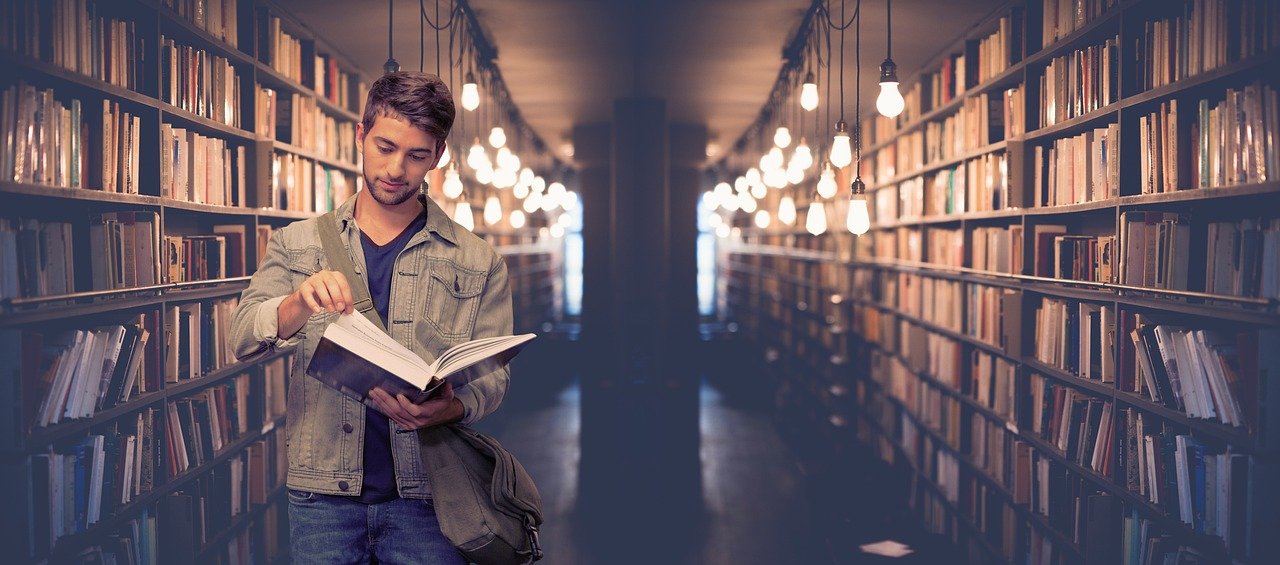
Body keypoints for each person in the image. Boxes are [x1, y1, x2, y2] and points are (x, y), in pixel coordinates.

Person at [228, 71, 512, 564]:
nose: (395, 169)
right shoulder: (297, 243)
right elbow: (242, 334)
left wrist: (451, 408)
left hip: (428, 497)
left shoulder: (477, 260)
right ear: (360, 135)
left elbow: (493, 377)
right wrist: (298, 301)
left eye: (417, 155)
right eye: (384, 146)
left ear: (438, 156)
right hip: (323, 498)